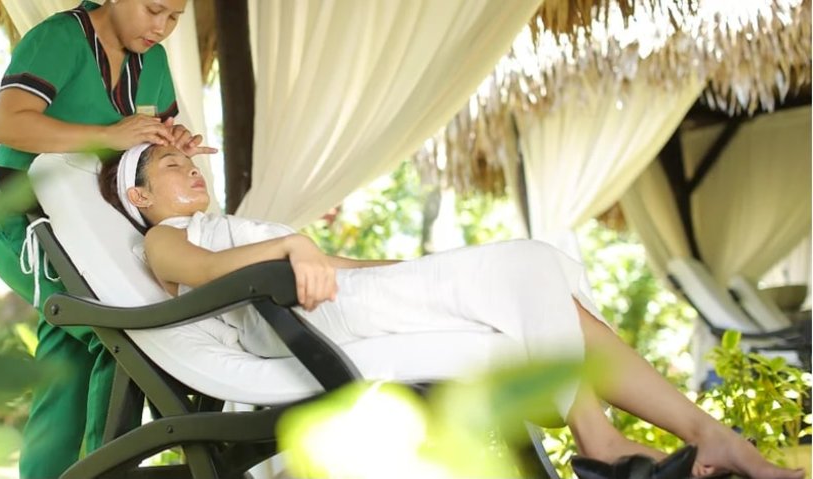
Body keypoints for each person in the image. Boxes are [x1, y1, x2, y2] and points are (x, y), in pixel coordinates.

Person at [96, 143, 805, 479]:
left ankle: (708, 437)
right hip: (304, 327)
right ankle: (606, 442)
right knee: (530, 264)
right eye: (170, 167)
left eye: (190, 161)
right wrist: (292, 243)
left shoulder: (225, 222)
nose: (190, 168)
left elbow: (337, 268)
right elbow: (206, 273)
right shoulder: (165, 237)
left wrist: (429, 271)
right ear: (139, 197)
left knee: (539, 283)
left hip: (337, 300)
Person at [0, 1, 214, 477]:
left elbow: (143, 147)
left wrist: (171, 142)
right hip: (25, 225)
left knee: (69, 358)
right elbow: (7, 123)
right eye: (154, 10)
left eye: (174, 18)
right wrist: (107, 134)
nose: (161, 27)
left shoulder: (153, 62)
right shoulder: (61, 38)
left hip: (94, 232)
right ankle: (106, 470)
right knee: (114, 337)